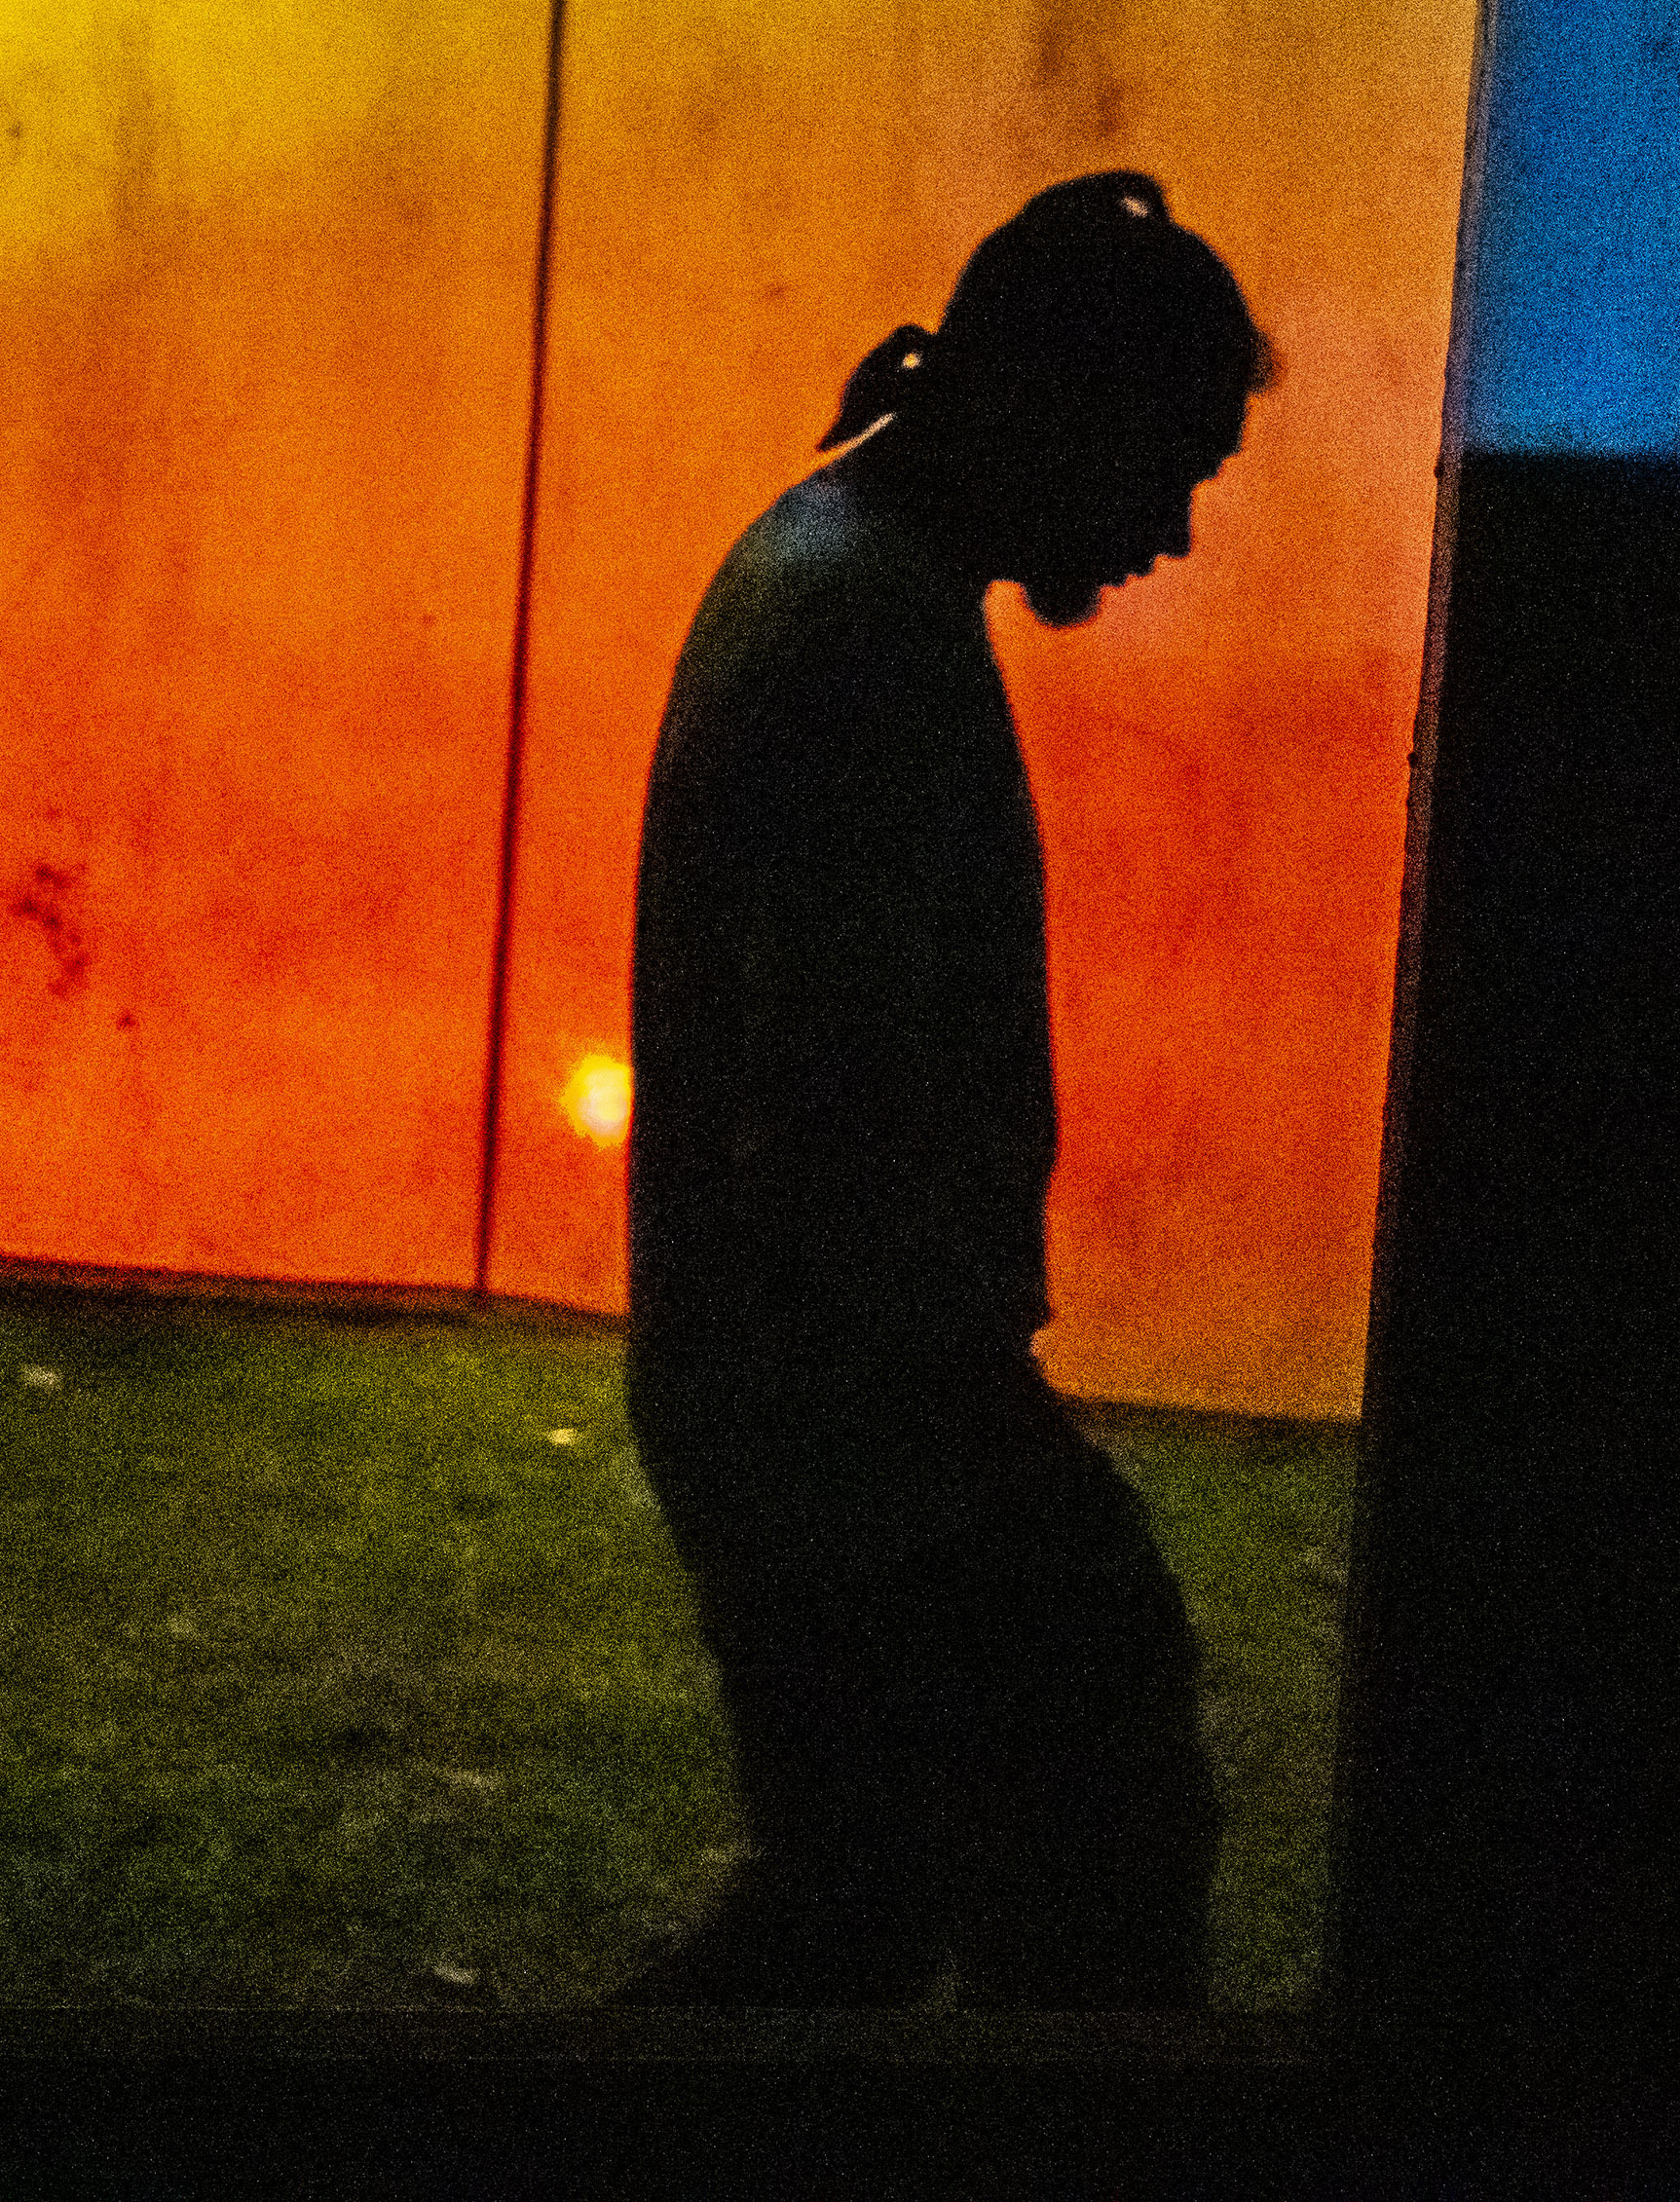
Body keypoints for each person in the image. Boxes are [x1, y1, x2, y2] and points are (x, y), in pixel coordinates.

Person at [606, 170, 1270, 2010]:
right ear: (1065, 409)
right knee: (1083, 1846)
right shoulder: (871, 634)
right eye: (1174, 467)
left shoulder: (838, 573)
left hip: (795, 1394)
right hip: (852, 1413)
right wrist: (940, 1443)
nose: (1176, 529)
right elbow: (823, 1096)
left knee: (857, 1900)